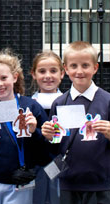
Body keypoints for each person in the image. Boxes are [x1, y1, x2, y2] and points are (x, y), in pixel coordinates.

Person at [41, 41, 110, 204]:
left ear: (95, 68)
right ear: (66, 69)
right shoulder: (59, 103)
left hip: (99, 183)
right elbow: (54, 145)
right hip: (67, 182)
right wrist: (48, 136)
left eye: (85, 65)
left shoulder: (109, 101)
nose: (79, 71)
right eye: (73, 66)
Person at [0, 49, 49, 204]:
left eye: (4, 78)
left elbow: (45, 149)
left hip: (20, 183)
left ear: (15, 77)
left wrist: (34, 132)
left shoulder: (31, 107)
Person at [30, 50, 65, 204]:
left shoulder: (69, 103)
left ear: (62, 73)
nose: (48, 76)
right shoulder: (28, 104)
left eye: (53, 71)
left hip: (60, 161)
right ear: (33, 74)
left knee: (57, 197)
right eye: (42, 71)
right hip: (35, 162)